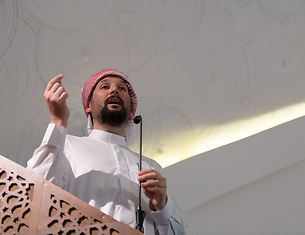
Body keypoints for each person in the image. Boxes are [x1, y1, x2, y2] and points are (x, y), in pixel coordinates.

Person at [27, 69, 187, 234]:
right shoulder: (66, 144)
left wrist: (161, 205)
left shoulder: (150, 166)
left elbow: (178, 232)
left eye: (122, 88)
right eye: (104, 87)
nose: (114, 90)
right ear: (88, 105)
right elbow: (33, 193)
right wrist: (58, 121)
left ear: (132, 108)